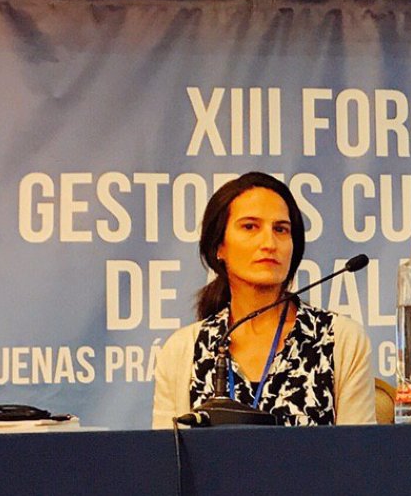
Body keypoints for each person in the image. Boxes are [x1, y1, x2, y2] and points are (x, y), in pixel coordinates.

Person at [152, 172, 375, 427]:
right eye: (250, 227)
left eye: (281, 229)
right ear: (219, 247)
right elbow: (167, 461)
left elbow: (359, 458)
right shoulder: (184, 350)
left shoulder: (340, 340)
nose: (269, 243)